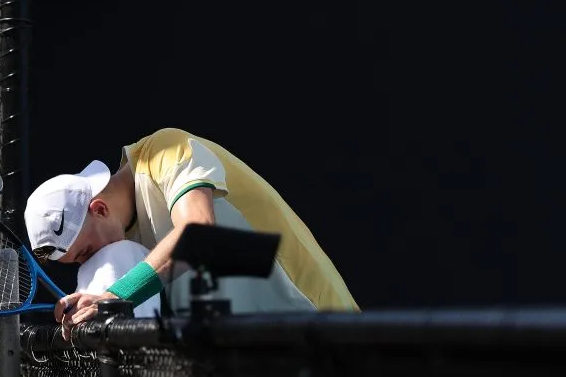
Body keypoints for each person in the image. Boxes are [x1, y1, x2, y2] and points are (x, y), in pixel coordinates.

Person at [23, 127, 359, 329]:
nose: (90, 264)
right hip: (267, 360)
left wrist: (112, 298)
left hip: (326, 328)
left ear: (99, 208)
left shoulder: (165, 149)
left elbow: (201, 236)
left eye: (86, 253)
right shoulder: (128, 242)